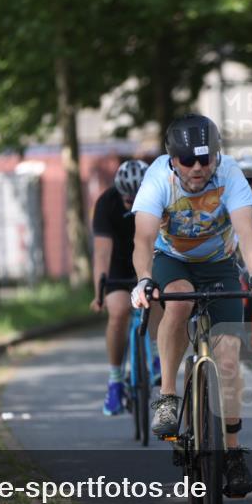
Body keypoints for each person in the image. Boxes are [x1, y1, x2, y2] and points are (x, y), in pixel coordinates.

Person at [131, 114, 252, 497]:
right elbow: (143, 239)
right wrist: (145, 279)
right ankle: (167, 396)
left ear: (216, 156)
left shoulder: (230, 175)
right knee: (176, 303)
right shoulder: (157, 179)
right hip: (171, 259)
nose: (197, 168)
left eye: (205, 159)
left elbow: (247, 232)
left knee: (228, 357)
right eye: (188, 161)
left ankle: (232, 453)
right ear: (172, 160)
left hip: (219, 264)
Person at [91, 159, 157, 416]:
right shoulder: (106, 203)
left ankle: (157, 355)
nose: (131, 202)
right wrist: (99, 293)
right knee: (117, 312)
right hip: (119, 264)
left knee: (158, 296)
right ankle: (115, 380)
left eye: (136, 197)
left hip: (150, 259)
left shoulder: (157, 198)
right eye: (127, 199)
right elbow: (102, 254)